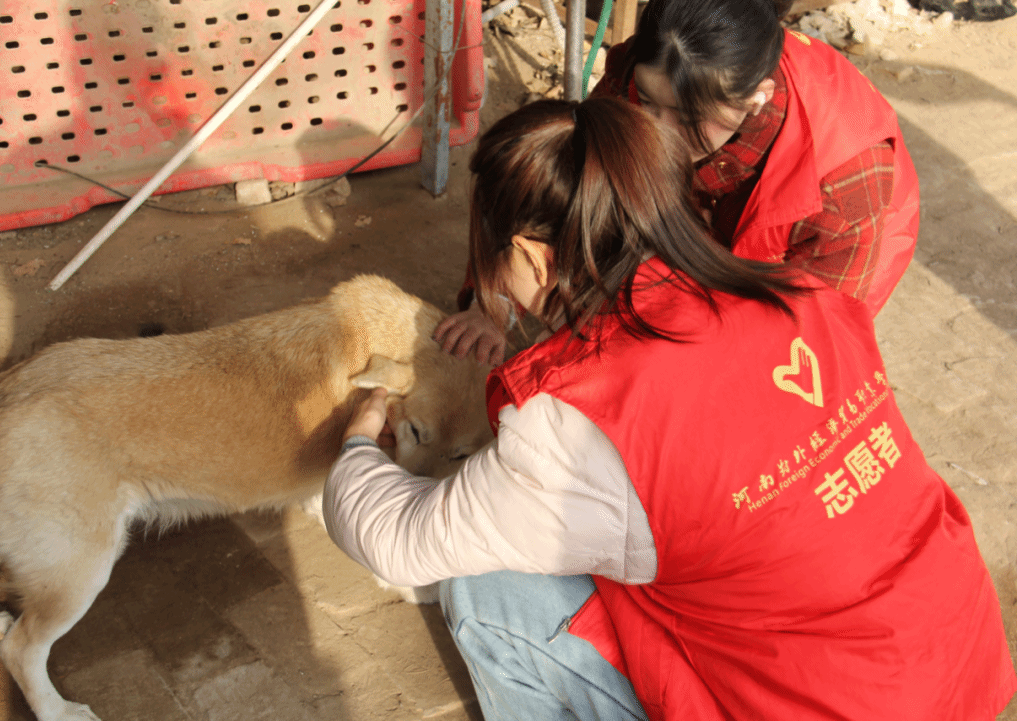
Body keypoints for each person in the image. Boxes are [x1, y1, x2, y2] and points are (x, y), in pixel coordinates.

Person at [323, 97, 1015, 720]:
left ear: (534, 258)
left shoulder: (578, 426)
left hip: (813, 703)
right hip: (957, 669)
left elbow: (398, 538)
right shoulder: (804, 295)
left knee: (485, 586)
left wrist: (357, 443)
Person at [435, 0, 920, 367]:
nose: (659, 134)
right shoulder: (642, 76)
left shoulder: (843, 187)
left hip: (814, 247)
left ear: (757, 97)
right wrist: (493, 302)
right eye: (648, 103)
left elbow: (815, 345)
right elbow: (565, 194)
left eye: (688, 118)